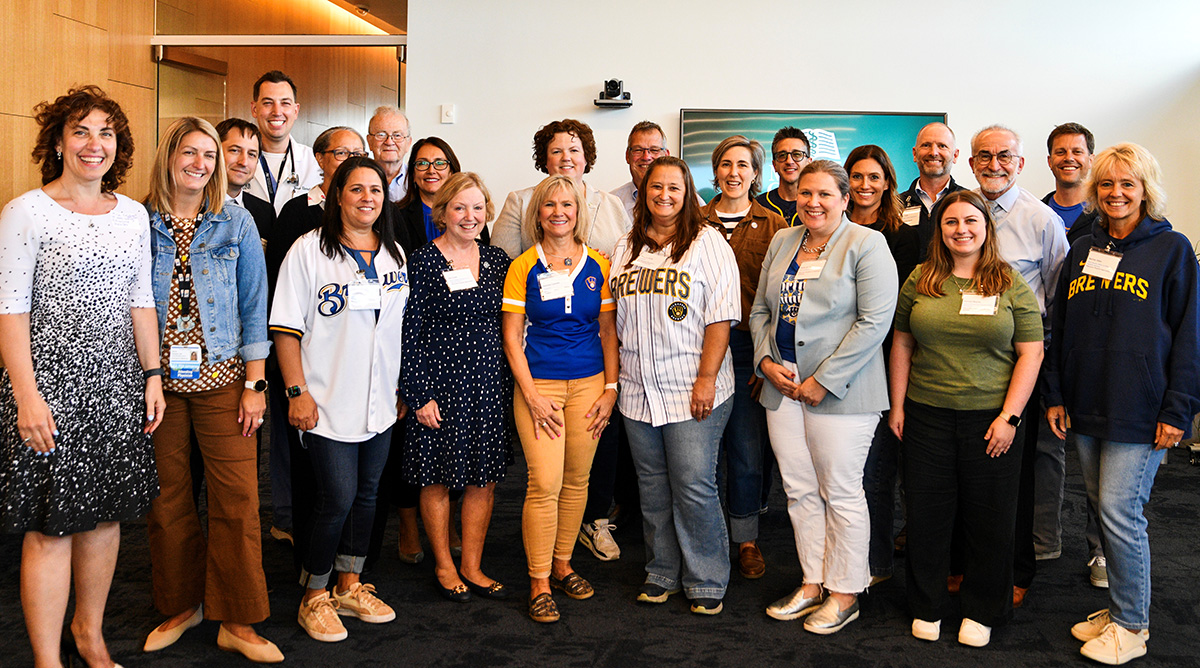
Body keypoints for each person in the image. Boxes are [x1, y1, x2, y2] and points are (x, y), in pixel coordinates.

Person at [0, 85, 163, 668]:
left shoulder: (133, 215)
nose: (95, 144)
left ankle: (90, 637)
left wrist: (152, 374)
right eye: (81, 131)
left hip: (118, 385)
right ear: (59, 141)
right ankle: (48, 659)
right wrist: (27, 397)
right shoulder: (26, 211)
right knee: (50, 528)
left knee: (105, 519)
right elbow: (11, 311)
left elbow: (140, 299)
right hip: (49, 389)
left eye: (106, 133)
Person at [1044, 143, 1200, 665]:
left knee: (1119, 511)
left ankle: (1132, 624)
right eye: (1107, 184)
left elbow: (1189, 336)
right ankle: (1117, 611)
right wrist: (1058, 394)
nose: (1115, 193)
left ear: (1145, 189)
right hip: (1086, 404)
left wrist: (1179, 411)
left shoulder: (1172, 249)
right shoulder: (1081, 245)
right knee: (1100, 506)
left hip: (1143, 407)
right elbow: (1062, 326)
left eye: (1127, 184)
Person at [142, 117, 281, 663]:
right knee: (168, 498)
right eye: (189, 152)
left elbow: (254, 308)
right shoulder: (139, 220)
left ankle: (238, 619)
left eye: (209, 155)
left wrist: (255, 384)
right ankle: (181, 606)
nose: (200, 164)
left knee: (238, 499)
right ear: (169, 157)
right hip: (156, 384)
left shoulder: (236, 223)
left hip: (224, 380)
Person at [889, 190, 1043, 648]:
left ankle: (983, 609)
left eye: (971, 220)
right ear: (939, 230)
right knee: (928, 515)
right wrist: (898, 406)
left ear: (986, 227)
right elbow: (901, 344)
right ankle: (927, 604)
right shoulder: (921, 278)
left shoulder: (1009, 282)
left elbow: (1031, 353)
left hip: (991, 419)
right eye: (951, 222)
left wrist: (1010, 418)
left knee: (990, 517)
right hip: (926, 415)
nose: (961, 230)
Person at [750, 160, 897, 634]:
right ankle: (813, 582)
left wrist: (824, 379)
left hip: (842, 393)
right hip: (783, 388)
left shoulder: (867, 244)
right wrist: (765, 362)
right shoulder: (783, 241)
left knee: (841, 491)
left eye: (825, 195)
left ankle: (846, 592)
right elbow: (758, 310)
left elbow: (874, 323)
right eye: (806, 194)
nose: (813, 202)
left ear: (845, 197)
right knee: (799, 490)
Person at [271, 156, 408, 643]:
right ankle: (315, 594)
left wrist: (398, 389)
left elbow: (395, 330)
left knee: (370, 496)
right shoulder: (309, 252)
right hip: (324, 399)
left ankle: (351, 584)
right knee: (336, 498)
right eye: (356, 189)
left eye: (376, 190)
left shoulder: (394, 254)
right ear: (337, 196)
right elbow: (286, 330)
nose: (367, 198)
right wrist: (296, 391)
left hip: (380, 403)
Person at [609, 156, 739, 615]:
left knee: (693, 485)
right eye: (655, 188)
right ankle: (661, 571)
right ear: (643, 193)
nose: (664, 195)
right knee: (652, 486)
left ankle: (706, 578)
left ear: (688, 195)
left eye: (674, 189)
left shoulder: (708, 244)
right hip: (639, 391)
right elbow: (614, 319)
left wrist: (706, 380)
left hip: (692, 391)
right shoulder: (625, 247)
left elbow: (721, 318)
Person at [501, 175, 619, 623]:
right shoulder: (523, 266)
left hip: (590, 385)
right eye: (549, 205)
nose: (558, 212)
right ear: (538, 213)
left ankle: (563, 563)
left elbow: (608, 332)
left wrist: (610, 389)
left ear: (578, 211)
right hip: (540, 386)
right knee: (544, 483)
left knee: (577, 482)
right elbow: (512, 339)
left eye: (566, 205)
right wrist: (530, 395)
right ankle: (538, 581)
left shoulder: (599, 265)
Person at [402, 172, 514, 603]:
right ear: (442, 211)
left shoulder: (499, 260)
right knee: (435, 479)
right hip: (439, 386)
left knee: (482, 481)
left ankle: (472, 564)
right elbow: (408, 333)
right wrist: (418, 393)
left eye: (478, 208)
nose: (470, 216)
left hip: (488, 385)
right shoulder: (423, 262)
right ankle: (445, 567)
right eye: (460, 207)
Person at [969, 124, 1068, 608]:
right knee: (970, 468)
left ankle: (1016, 569)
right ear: (970, 164)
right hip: (964, 364)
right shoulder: (961, 213)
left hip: (1017, 365)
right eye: (984, 156)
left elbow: (1057, 298)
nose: (994, 165)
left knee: (1017, 474)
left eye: (1004, 156)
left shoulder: (1041, 220)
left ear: (1021, 163)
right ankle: (970, 564)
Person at [263, 125, 365, 558]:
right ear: (319, 159)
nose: (347, 159)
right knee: (295, 444)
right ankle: (288, 519)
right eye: (339, 152)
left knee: (351, 479)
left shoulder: (377, 223)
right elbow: (282, 291)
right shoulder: (298, 215)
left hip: (353, 358)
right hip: (301, 352)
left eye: (356, 152)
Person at [702, 135, 788, 579]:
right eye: (726, 164)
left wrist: (764, 358)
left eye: (743, 165)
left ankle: (746, 538)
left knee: (747, 448)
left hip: (750, 348)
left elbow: (779, 299)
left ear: (757, 173)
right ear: (715, 170)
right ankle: (705, 534)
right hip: (697, 350)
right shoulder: (692, 221)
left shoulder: (775, 226)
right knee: (701, 450)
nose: (734, 172)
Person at [843, 145, 920, 586]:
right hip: (835, 362)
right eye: (857, 177)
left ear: (888, 181)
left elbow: (901, 308)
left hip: (886, 359)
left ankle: (877, 565)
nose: (865, 185)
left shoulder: (905, 236)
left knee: (879, 472)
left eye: (874, 177)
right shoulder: (832, 227)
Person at [1037, 122, 1105, 582]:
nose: (1069, 159)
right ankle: (1044, 542)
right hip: (1045, 345)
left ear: (1089, 157)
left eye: (1077, 151)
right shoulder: (1035, 212)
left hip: (1097, 351)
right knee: (1048, 448)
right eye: (1060, 151)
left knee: (1101, 457)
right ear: (1048, 160)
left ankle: (1101, 549)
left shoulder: (1109, 214)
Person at [491, 118, 631, 258]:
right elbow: (501, 264)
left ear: (586, 157)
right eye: (557, 151)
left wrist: (609, 265)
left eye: (574, 150)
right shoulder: (519, 202)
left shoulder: (613, 204)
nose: (566, 157)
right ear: (545, 160)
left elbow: (631, 261)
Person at [244, 70, 322, 214]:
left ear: (296, 110)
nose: (277, 111)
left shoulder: (315, 162)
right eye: (268, 103)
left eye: (285, 103)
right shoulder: (236, 161)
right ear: (254, 109)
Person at [394, 136, 490, 250]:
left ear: (451, 172)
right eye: (423, 163)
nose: (431, 171)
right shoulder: (396, 216)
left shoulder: (471, 214)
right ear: (413, 174)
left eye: (439, 163)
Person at [899, 122, 966, 259]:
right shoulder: (895, 205)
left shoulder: (968, 203)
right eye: (926, 145)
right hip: (907, 281)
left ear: (955, 155)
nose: (933, 152)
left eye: (942, 146)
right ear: (915, 154)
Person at [216, 118, 275, 245]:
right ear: (214, 152)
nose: (243, 162)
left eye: (252, 154)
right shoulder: (191, 208)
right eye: (235, 150)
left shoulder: (265, 212)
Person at [610, 121, 670, 220]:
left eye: (654, 150)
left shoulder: (685, 199)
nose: (646, 157)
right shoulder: (611, 203)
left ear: (666, 156)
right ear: (627, 156)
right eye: (638, 150)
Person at [756, 126, 812, 226]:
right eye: (782, 155)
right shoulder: (758, 206)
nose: (789, 161)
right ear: (774, 165)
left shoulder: (816, 206)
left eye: (797, 154)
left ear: (808, 162)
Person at [367, 106, 413, 202]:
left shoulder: (417, 181)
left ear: (408, 143)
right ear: (369, 142)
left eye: (397, 135)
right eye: (381, 135)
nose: (389, 142)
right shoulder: (357, 179)